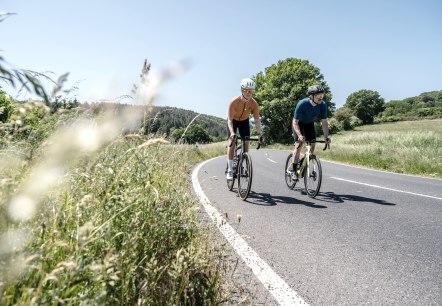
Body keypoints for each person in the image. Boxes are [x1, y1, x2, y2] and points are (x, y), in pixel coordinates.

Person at [289, 84, 331, 177]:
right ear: (311, 96)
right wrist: (299, 135)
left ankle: (305, 161)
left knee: (312, 145)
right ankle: (294, 171)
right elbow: (295, 122)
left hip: (309, 124)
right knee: (298, 145)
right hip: (298, 124)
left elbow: (324, 122)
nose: (320, 98)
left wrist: (326, 137)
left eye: (322, 96)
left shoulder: (322, 105)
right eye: (318, 96)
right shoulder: (302, 103)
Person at [226, 78, 262, 180]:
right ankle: (229, 170)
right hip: (233, 121)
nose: (249, 93)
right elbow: (229, 120)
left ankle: (243, 162)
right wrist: (232, 133)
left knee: (246, 143)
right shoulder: (234, 102)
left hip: (244, 122)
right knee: (232, 142)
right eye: (247, 91)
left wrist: (260, 134)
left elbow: (256, 121)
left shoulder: (254, 104)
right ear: (242, 90)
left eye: (251, 91)